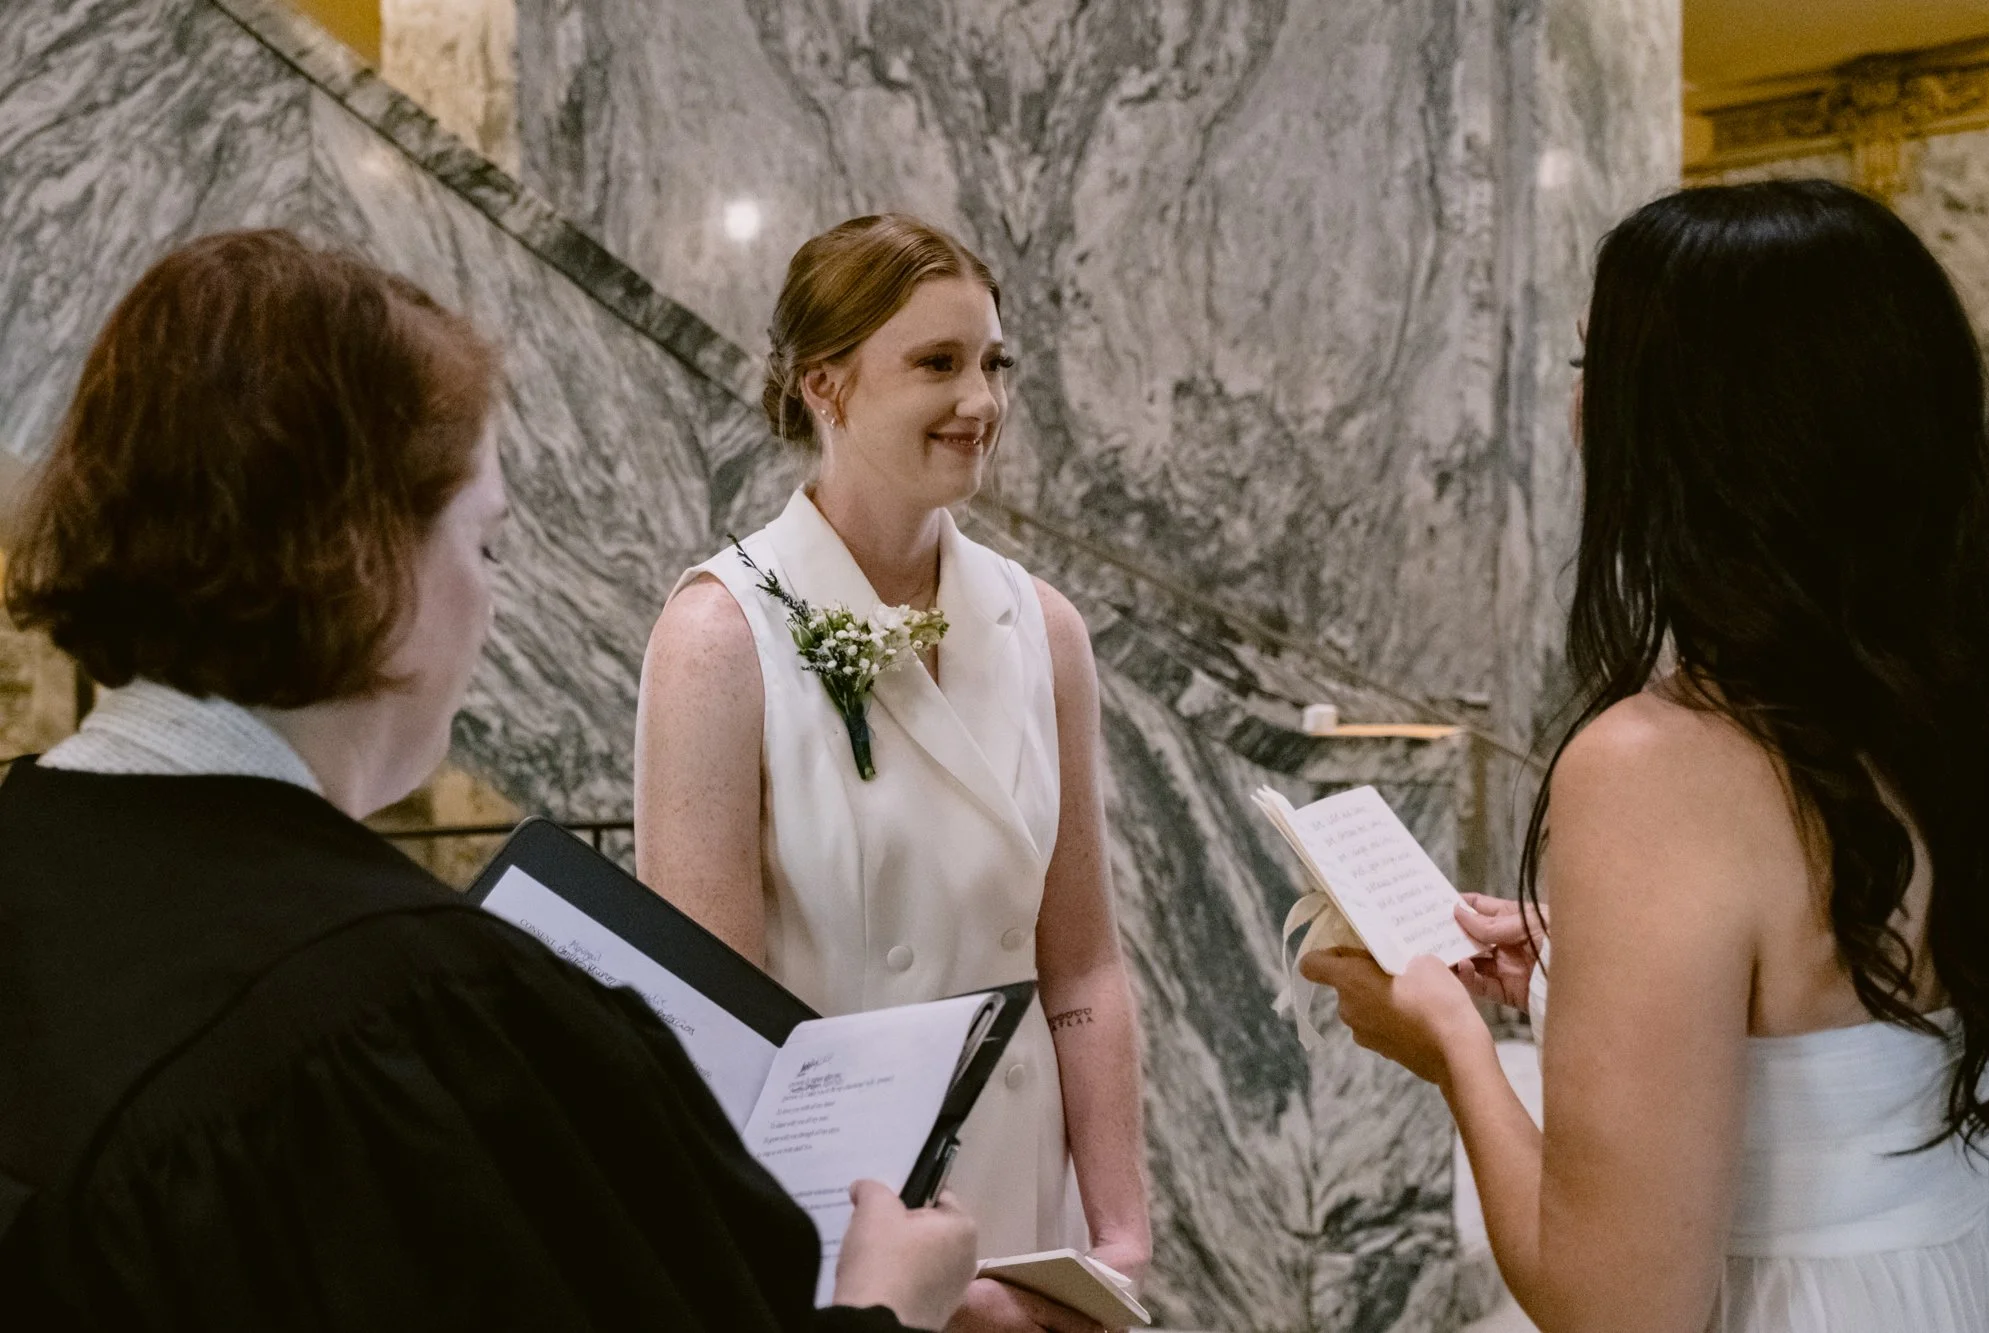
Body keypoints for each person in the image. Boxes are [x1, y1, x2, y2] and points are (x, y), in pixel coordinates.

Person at [0, 229, 975, 1331]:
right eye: (485, 544)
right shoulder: (413, 1032)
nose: (492, 604)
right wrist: (886, 1302)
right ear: (368, 561)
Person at [1305, 180, 1989, 1332]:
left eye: (1592, 371)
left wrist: (1451, 1047)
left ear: (1693, 426)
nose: (1578, 412)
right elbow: (1835, 1018)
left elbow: (1621, 1305)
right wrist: (1586, 984)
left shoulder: (1655, 763)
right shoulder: (1944, 697)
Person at [635, 214, 1151, 1332]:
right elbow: (715, 1032)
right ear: (825, 385)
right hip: (830, 1235)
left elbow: (1082, 969)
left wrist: (1116, 1234)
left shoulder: (1041, 628)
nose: (982, 402)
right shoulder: (721, 636)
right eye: (937, 363)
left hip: (1023, 1219)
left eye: (991, 364)